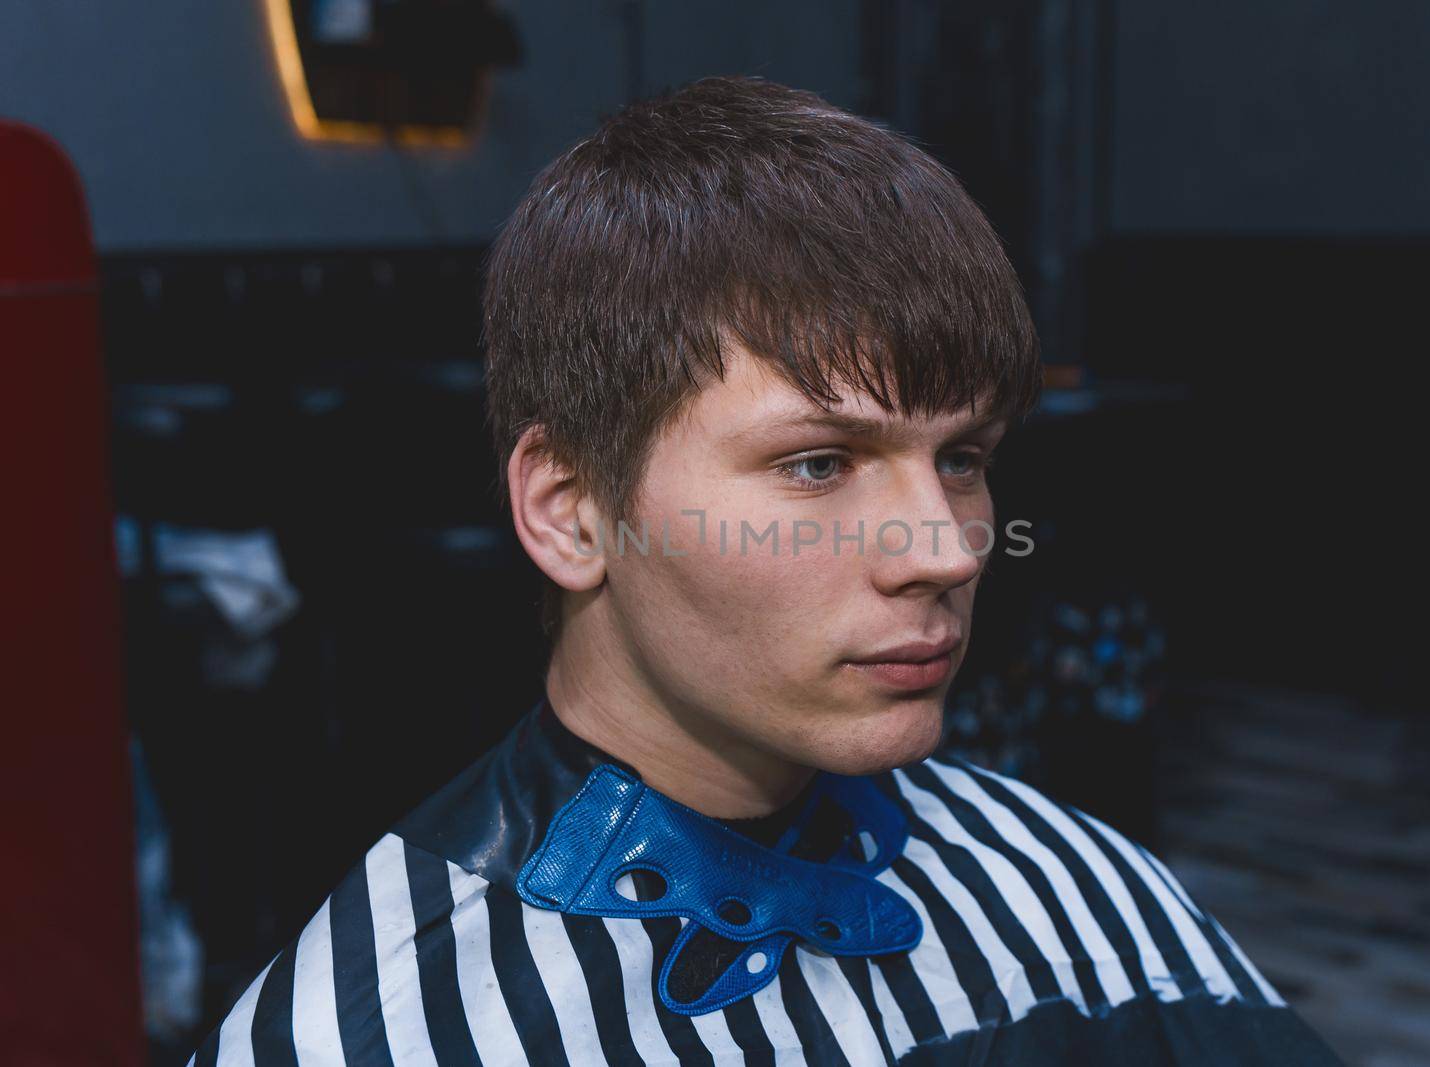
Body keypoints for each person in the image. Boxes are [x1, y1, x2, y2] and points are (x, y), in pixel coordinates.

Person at [188, 75, 1341, 1065]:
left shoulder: (1077, 889)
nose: (947, 547)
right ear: (571, 509)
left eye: (966, 459)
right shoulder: (377, 1023)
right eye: (816, 464)